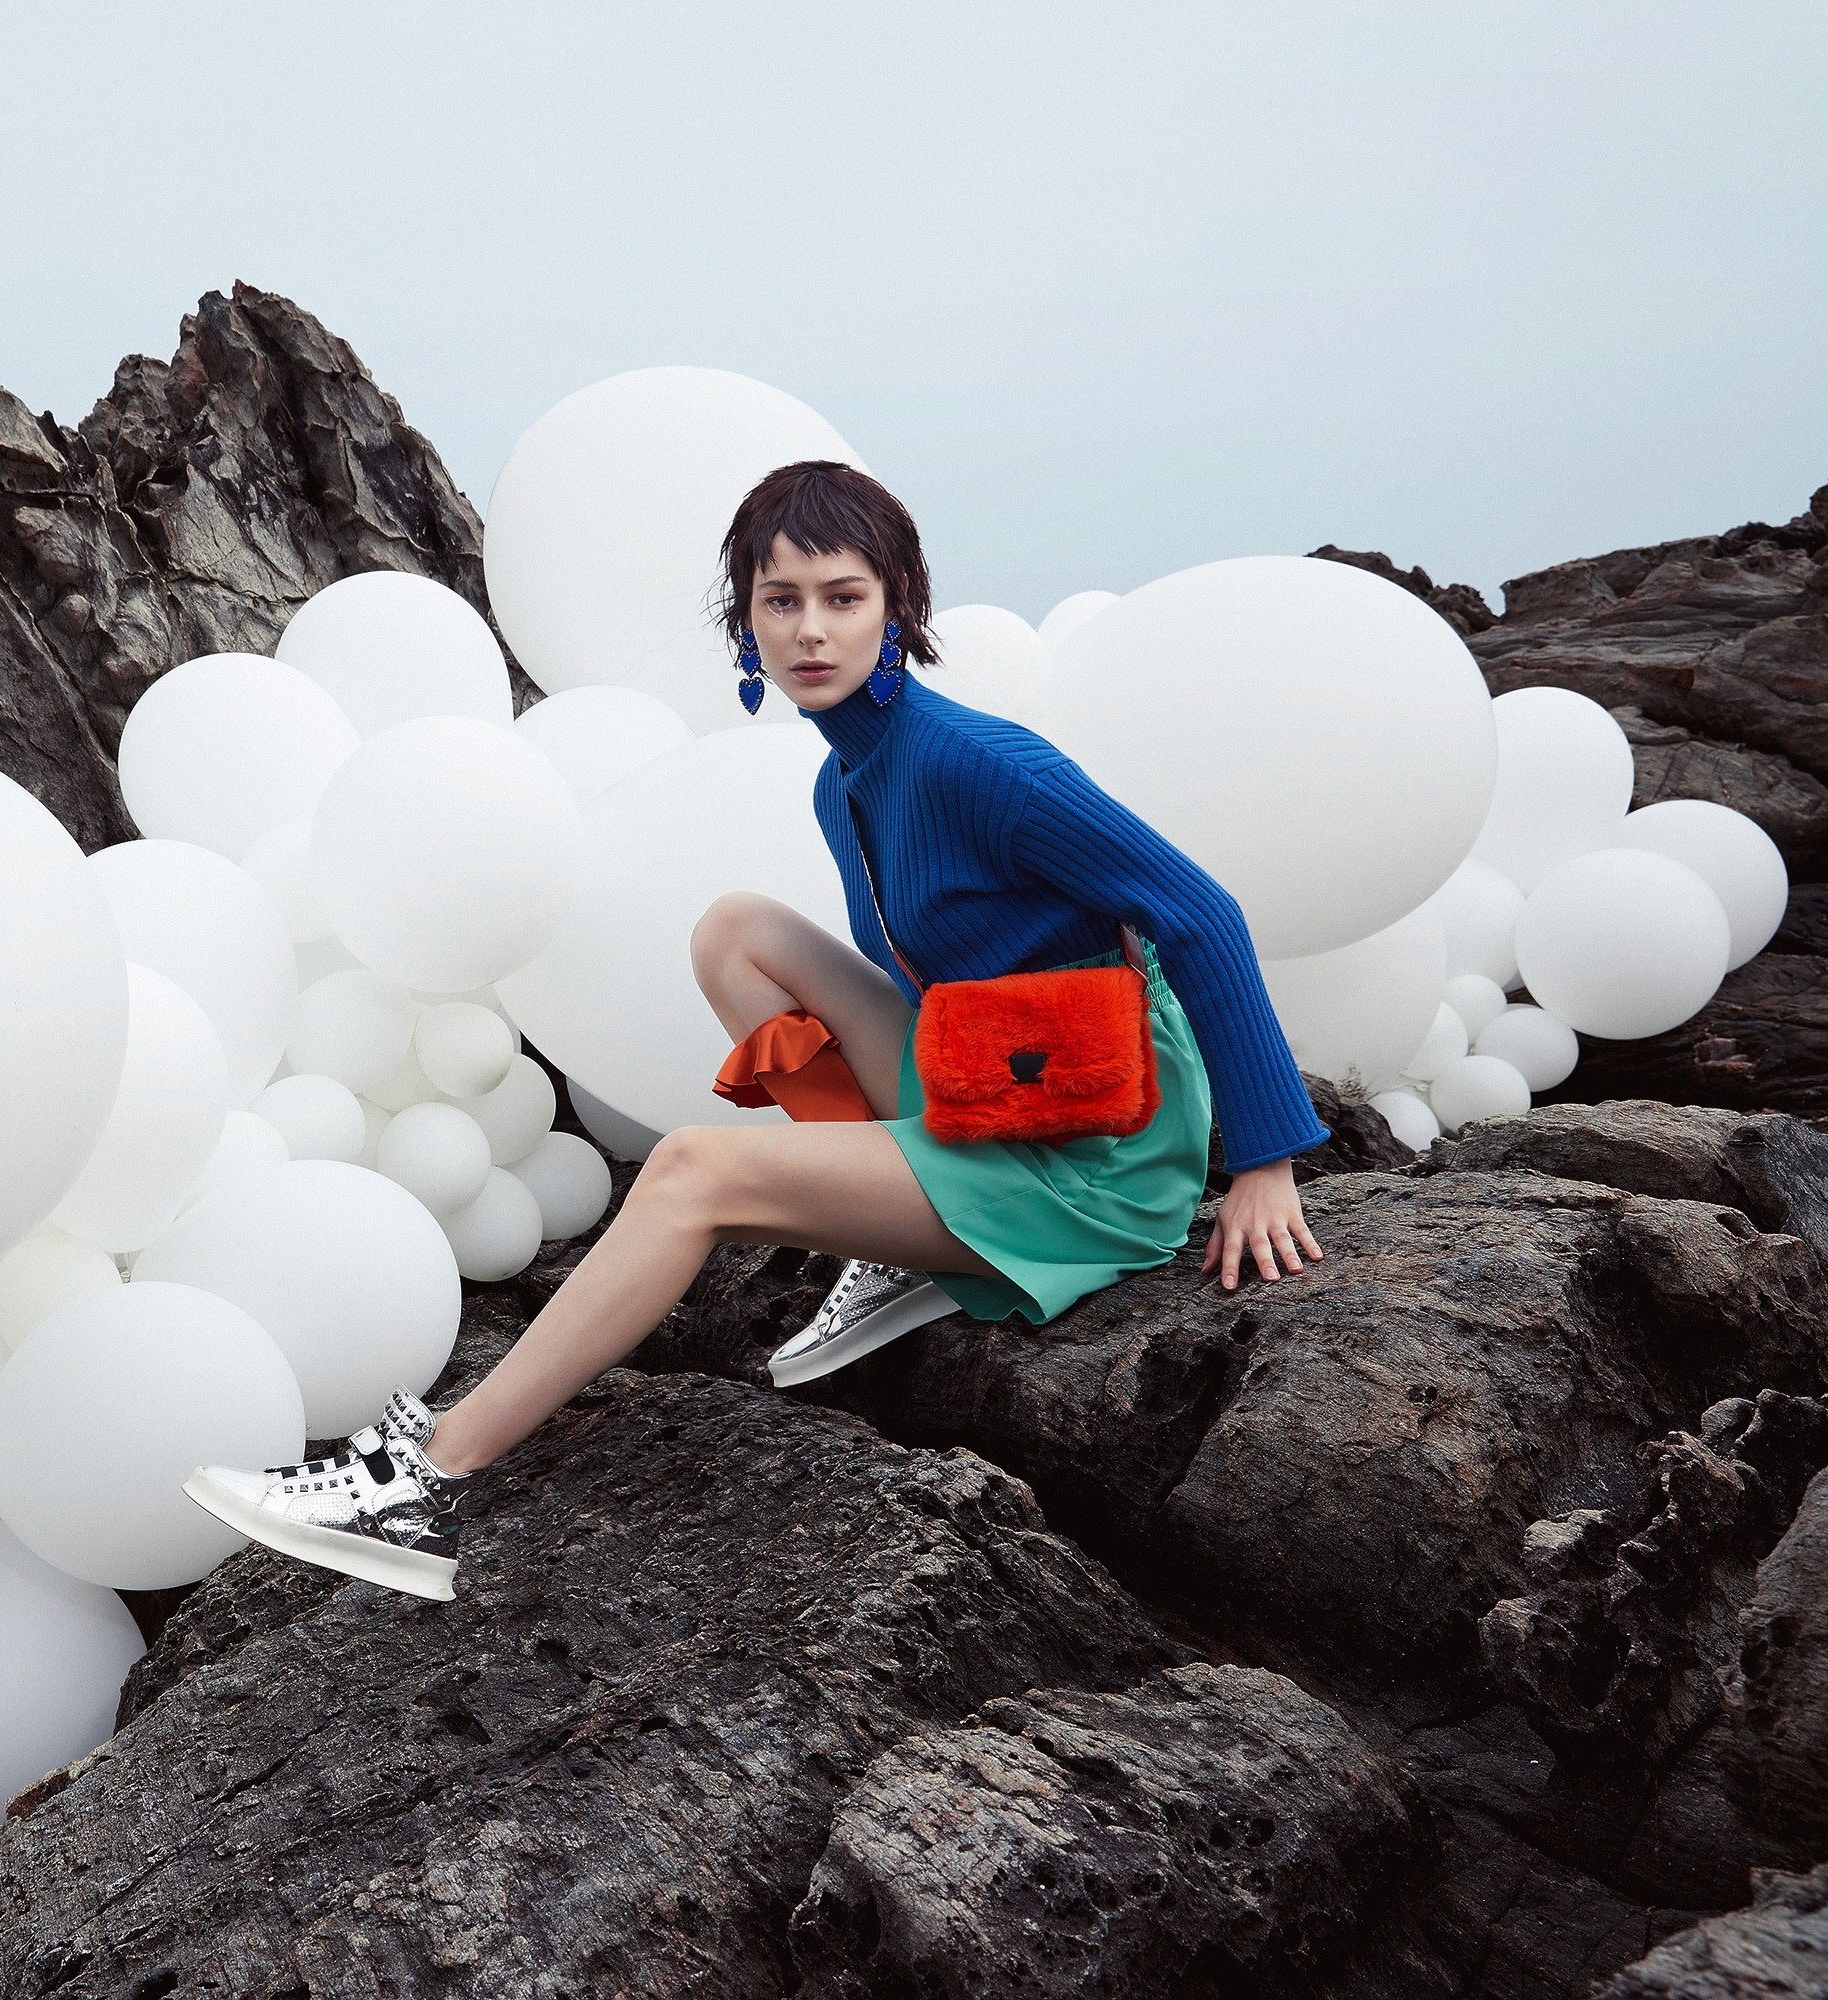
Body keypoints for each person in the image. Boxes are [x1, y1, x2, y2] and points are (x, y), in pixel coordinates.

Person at [183, 459, 1328, 1601]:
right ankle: (889, 1228)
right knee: (736, 932)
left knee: (689, 1169)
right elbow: (936, 968)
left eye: (844, 597)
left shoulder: (988, 766)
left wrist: (1265, 1164)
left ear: (899, 606)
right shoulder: (848, 779)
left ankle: (427, 1478)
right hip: (990, 1073)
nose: (812, 631)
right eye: (781, 602)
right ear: (747, 622)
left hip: (1092, 1142)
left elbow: (1200, 913)